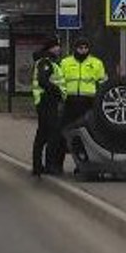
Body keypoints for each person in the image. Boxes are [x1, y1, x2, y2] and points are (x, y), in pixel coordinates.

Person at [49, 36, 108, 173]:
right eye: (80, 47)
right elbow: (57, 81)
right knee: (62, 133)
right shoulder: (65, 62)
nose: (83, 50)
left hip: (88, 103)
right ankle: (57, 165)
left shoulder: (96, 63)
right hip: (69, 101)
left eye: (85, 47)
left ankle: (82, 165)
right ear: (75, 48)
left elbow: (102, 82)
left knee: (86, 136)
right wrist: (60, 97)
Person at [30, 37, 64, 176]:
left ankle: (38, 167)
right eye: (56, 46)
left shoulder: (48, 62)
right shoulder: (45, 62)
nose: (59, 49)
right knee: (52, 134)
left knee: (42, 135)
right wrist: (57, 91)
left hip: (45, 102)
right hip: (47, 101)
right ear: (51, 48)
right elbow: (43, 81)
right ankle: (50, 166)